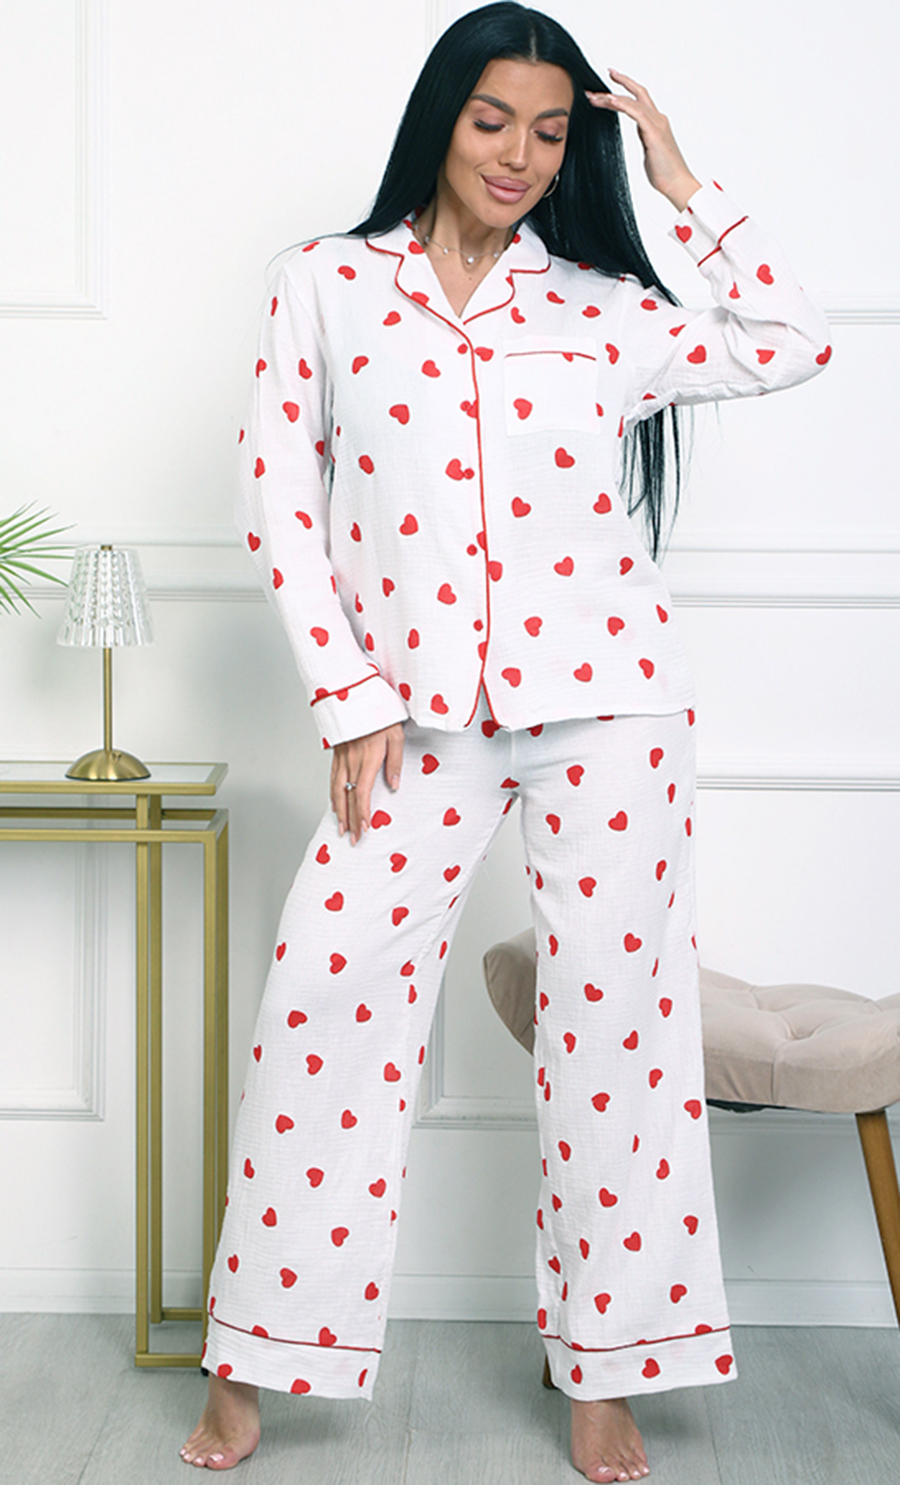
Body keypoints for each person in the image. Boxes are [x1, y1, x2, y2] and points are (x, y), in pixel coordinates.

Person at [181, 4, 831, 1478]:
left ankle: (609, 1365)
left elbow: (792, 341)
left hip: (612, 708)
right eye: (493, 122)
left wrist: (682, 180)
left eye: (548, 131)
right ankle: (258, 1352)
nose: (521, 155)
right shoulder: (327, 285)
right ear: (440, 120)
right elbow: (278, 495)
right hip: (412, 716)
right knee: (326, 1000)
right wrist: (350, 699)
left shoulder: (604, 306)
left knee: (616, 1030)